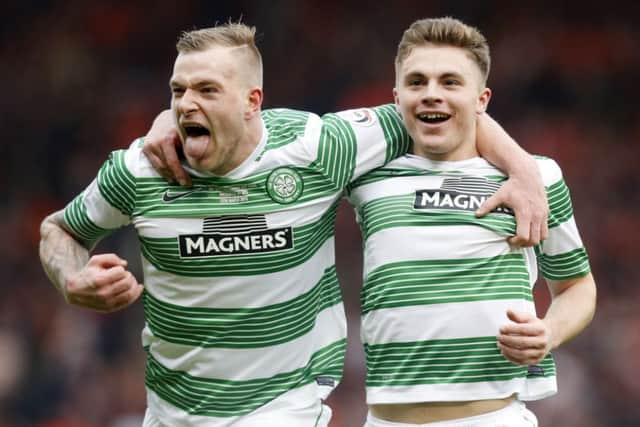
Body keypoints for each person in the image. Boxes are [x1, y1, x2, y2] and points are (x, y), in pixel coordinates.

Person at [39, 22, 547, 427]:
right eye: (178, 91)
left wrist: (522, 167)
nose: (187, 103)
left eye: (207, 90)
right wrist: (70, 278)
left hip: (286, 406)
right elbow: (60, 231)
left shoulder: (315, 148)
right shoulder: (141, 170)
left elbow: (439, 111)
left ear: (252, 101)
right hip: (172, 410)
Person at [344, 17, 596, 426]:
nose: (431, 94)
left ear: (482, 99)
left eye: (450, 82)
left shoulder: (539, 178)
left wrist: (550, 333)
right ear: (396, 97)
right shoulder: (365, 172)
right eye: (417, 82)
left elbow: (577, 286)